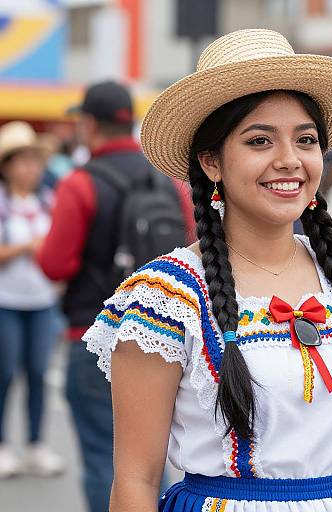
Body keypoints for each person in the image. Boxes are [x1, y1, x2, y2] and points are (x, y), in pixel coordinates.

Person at [84, 29, 332, 511]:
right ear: (211, 161)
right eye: (259, 141)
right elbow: (136, 480)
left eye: (306, 140)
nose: (289, 161)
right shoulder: (166, 299)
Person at [37, 80, 195, 512]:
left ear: (89, 123)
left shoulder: (79, 183)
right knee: (152, 461)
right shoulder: (168, 183)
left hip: (92, 332)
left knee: (105, 461)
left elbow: (55, 264)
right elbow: (192, 247)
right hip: (164, 336)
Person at [0, 121, 64, 478]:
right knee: (5, 374)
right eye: (22, 161)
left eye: (34, 161)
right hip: (6, 301)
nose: (30, 169)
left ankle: (36, 444)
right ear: (7, 166)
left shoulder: (47, 201)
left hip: (42, 301)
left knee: (39, 372)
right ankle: (3, 446)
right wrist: (26, 247)